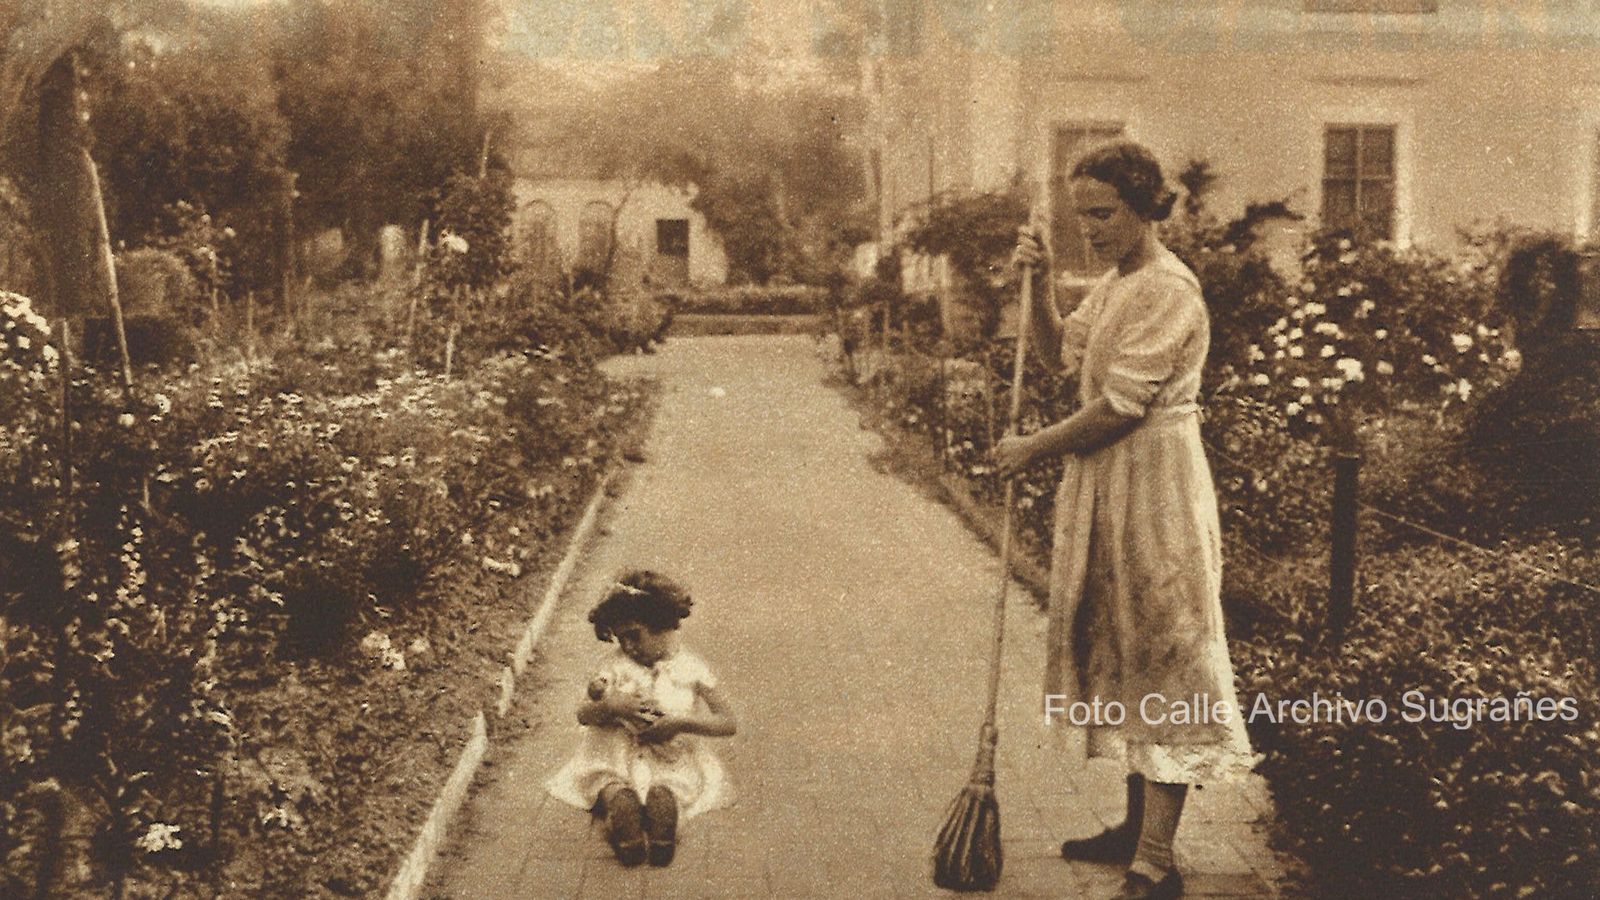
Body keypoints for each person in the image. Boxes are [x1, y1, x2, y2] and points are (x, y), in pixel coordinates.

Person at [997, 141, 1257, 900]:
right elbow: (1054, 358)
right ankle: (1131, 824)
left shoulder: (1169, 288)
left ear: (1146, 205)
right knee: (1118, 638)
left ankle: (1155, 862)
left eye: (1104, 213)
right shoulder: (1115, 284)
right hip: (1110, 483)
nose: (1092, 229)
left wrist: (1030, 450)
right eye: (1081, 216)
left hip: (1158, 488)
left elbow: (1120, 405)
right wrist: (1040, 281)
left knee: (1168, 650)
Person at [545, 570, 736, 867]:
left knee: (673, 786)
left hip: (668, 756)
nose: (629, 647)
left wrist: (681, 722)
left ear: (661, 626)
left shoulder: (691, 667)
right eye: (622, 640)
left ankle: (665, 825)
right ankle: (622, 820)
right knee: (609, 783)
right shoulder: (614, 665)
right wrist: (611, 705)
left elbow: (727, 722)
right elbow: (583, 714)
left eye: (635, 635)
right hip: (616, 756)